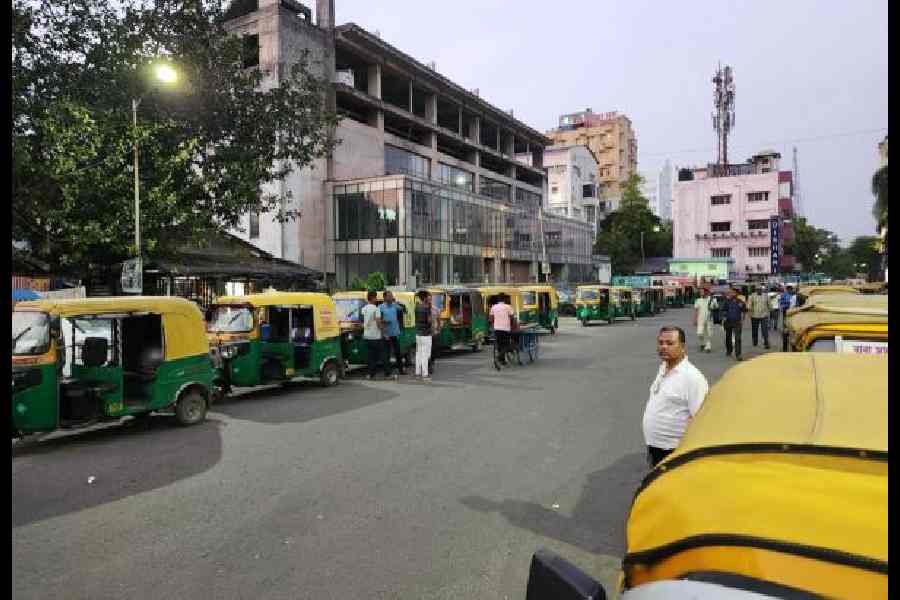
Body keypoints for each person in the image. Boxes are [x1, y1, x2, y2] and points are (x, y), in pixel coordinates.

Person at [642, 326, 710, 468]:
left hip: (674, 451)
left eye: (670, 343)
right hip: (656, 447)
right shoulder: (664, 367)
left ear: (683, 347)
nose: (663, 347)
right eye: (660, 343)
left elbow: (700, 419)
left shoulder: (692, 378)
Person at [361, 290, 385, 380]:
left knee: (370, 355)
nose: (377, 299)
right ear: (373, 298)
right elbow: (378, 323)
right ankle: (374, 373)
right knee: (378, 355)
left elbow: (364, 319)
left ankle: (369, 374)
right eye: (376, 297)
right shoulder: (376, 309)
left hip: (367, 335)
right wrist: (384, 332)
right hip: (375, 336)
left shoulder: (364, 308)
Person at [379, 291, 403, 378]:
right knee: (387, 354)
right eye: (389, 296)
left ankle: (401, 370)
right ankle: (387, 372)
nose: (391, 297)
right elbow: (378, 320)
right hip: (386, 334)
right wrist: (384, 321)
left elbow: (403, 310)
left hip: (395, 332)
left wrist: (399, 305)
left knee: (398, 352)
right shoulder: (380, 307)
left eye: (392, 296)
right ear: (384, 298)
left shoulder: (395, 305)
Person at [489, 294, 516, 369]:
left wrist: (493, 326)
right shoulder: (508, 307)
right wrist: (512, 327)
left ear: (498, 300)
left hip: (497, 329)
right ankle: (498, 357)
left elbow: (491, 319)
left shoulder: (493, 307)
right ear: (504, 300)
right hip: (505, 329)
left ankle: (503, 361)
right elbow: (512, 318)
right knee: (506, 345)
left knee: (500, 345)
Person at [721, 288, 747, 361]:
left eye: (733, 293)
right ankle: (729, 350)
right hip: (728, 322)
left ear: (736, 294)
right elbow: (723, 310)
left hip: (737, 322)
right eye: (730, 293)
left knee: (738, 338)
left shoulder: (740, 302)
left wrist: (742, 319)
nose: (731, 294)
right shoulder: (727, 301)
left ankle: (738, 354)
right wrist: (724, 318)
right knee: (728, 338)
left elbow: (744, 311)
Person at [414, 290, 433, 382]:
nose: (430, 298)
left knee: (419, 354)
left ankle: (417, 373)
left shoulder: (417, 307)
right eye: (428, 297)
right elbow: (429, 321)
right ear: (425, 298)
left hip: (418, 333)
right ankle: (425, 375)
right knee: (426, 355)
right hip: (426, 334)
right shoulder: (427, 308)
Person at [692, 287, 717, 353]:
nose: (700, 293)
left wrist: (713, 307)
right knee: (699, 333)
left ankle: (708, 347)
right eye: (700, 292)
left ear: (706, 292)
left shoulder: (712, 299)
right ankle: (702, 344)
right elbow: (696, 310)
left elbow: (716, 308)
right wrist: (695, 319)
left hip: (709, 319)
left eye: (702, 291)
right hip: (700, 319)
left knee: (709, 333)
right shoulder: (698, 300)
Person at [748, 286, 771, 350]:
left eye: (760, 289)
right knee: (755, 330)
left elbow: (769, 305)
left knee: (765, 330)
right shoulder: (752, 296)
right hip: (754, 316)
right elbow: (749, 305)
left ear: (762, 290)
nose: (759, 290)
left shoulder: (766, 296)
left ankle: (766, 343)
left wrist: (770, 310)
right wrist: (749, 313)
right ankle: (755, 341)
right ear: (755, 290)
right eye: (757, 289)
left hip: (764, 315)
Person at [428, 296, 441, 375]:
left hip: (434, 333)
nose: (429, 301)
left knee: (434, 350)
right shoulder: (423, 309)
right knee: (427, 350)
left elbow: (439, 321)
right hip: (426, 333)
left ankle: (432, 361)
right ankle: (428, 365)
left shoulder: (436, 310)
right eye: (428, 299)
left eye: (430, 299)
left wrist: (439, 330)